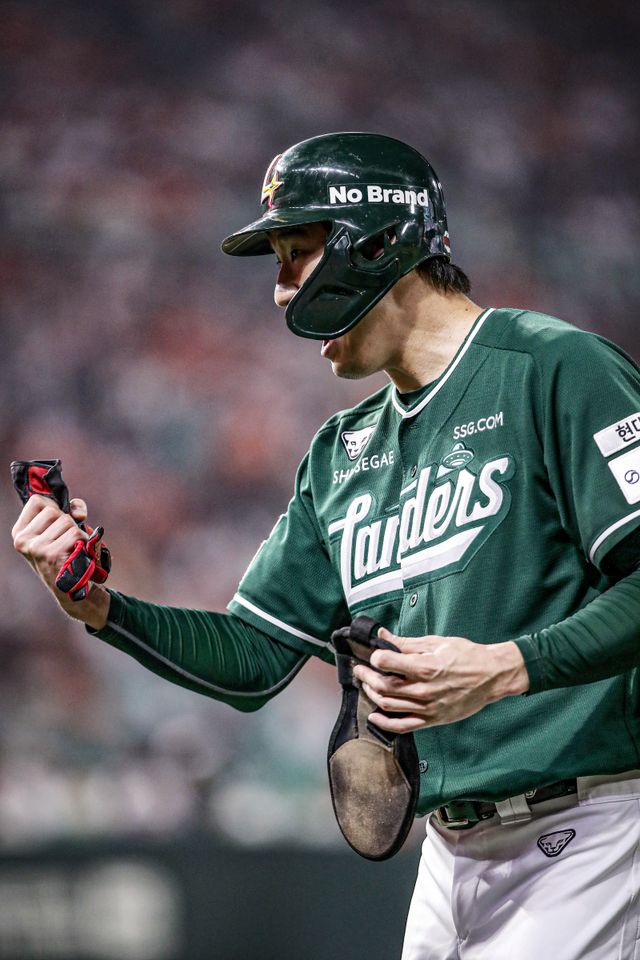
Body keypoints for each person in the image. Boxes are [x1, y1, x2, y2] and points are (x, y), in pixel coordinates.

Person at [12, 132, 640, 959]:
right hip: (449, 854)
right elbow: (252, 659)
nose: (280, 291)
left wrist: (507, 666)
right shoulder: (341, 456)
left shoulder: (554, 370)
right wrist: (98, 607)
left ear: (377, 243)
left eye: (295, 253)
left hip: (592, 828)